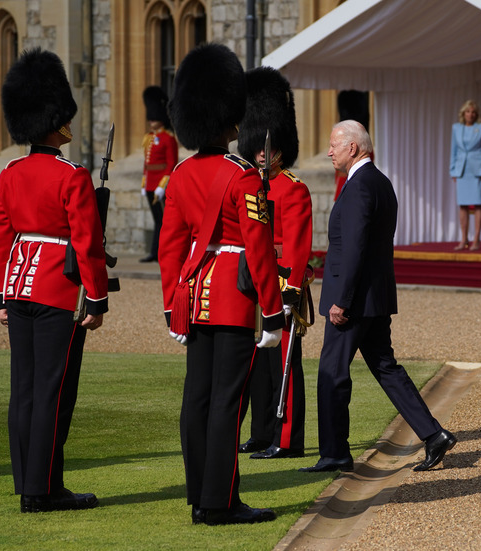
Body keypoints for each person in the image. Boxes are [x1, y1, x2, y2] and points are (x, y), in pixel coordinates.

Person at [158, 43, 285, 526]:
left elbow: (170, 248)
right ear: (230, 119)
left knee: (198, 397)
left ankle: (198, 494)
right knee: (227, 402)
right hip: (233, 296)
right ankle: (219, 502)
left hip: (193, 294)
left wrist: (173, 304)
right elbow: (258, 249)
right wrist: (271, 314)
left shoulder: (180, 173)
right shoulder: (243, 177)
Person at [0, 48, 108, 513]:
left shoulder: (11, 172)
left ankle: (28, 481)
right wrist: (95, 299)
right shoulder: (71, 174)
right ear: (57, 122)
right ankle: (44, 490)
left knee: (25, 387)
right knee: (54, 391)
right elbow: (87, 242)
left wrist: (0, 294)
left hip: (18, 286)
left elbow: (0, 236)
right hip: (57, 289)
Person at [300, 120, 456, 474]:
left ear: (352, 147)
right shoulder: (380, 182)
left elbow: (354, 249)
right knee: (386, 368)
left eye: (334, 146)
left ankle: (335, 452)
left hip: (353, 300)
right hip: (375, 297)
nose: (329, 152)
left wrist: (342, 299)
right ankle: (433, 434)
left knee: (332, 372)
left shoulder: (359, 186)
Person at [236, 67, 313, 460]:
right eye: (259, 148)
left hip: (282, 283)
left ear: (282, 149)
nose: (264, 154)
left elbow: (298, 247)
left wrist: (292, 291)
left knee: (284, 362)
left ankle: (287, 440)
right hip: (253, 279)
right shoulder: (251, 183)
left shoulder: (293, 188)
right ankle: (262, 431)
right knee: (257, 361)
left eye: (271, 149)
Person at [139, 86, 178, 263]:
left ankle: (160, 252)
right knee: (157, 220)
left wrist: (162, 186)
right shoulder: (149, 138)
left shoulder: (168, 139)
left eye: (154, 118)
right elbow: (146, 164)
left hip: (160, 185)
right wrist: (144, 183)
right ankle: (156, 252)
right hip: (150, 184)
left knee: (162, 221)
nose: (151, 121)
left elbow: (170, 164)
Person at [449, 100, 481, 250]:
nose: (470, 114)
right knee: (463, 205)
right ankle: (463, 239)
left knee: (478, 204)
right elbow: (453, 151)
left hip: (477, 169)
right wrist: (452, 170)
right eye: (468, 111)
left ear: (476, 114)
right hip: (461, 169)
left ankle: (476, 239)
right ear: (463, 113)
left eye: (473, 112)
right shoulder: (456, 128)